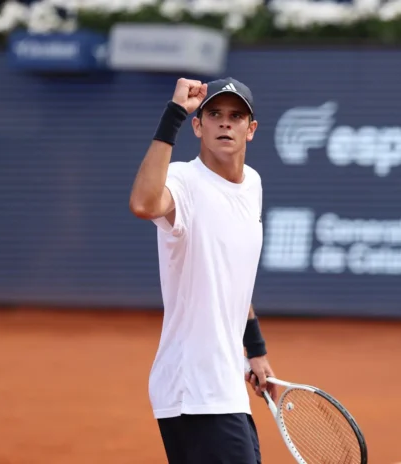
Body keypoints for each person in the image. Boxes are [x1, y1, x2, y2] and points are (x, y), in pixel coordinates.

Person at [129, 77, 278, 464]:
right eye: (214, 114)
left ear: (251, 129)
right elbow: (144, 203)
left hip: (225, 385)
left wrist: (256, 350)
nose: (225, 122)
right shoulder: (183, 181)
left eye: (236, 116)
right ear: (198, 125)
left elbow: (232, 277)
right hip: (191, 388)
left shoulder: (253, 185)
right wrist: (174, 114)